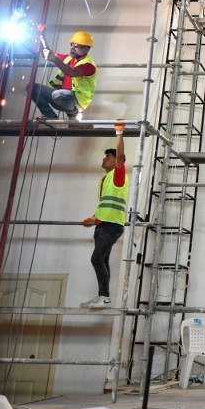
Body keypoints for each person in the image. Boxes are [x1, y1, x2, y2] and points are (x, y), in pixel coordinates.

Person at [80, 120, 128, 308]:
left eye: (108, 157)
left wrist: (119, 133)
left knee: (97, 259)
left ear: (116, 162)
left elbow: (120, 156)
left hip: (111, 226)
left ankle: (105, 297)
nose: (104, 159)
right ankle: (102, 296)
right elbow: (105, 205)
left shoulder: (118, 175)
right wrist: (94, 219)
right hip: (103, 224)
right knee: (103, 259)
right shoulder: (106, 179)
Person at [31, 31, 98, 119]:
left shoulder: (88, 65)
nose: (73, 48)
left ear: (86, 49)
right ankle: (50, 116)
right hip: (60, 98)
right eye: (72, 44)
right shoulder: (68, 59)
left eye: (76, 45)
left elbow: (72, 73)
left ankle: (73, 113)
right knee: (33, 88)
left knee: (58, 94)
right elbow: (49, 54)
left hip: (77, 102)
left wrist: (54, 58)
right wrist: (42, 38)